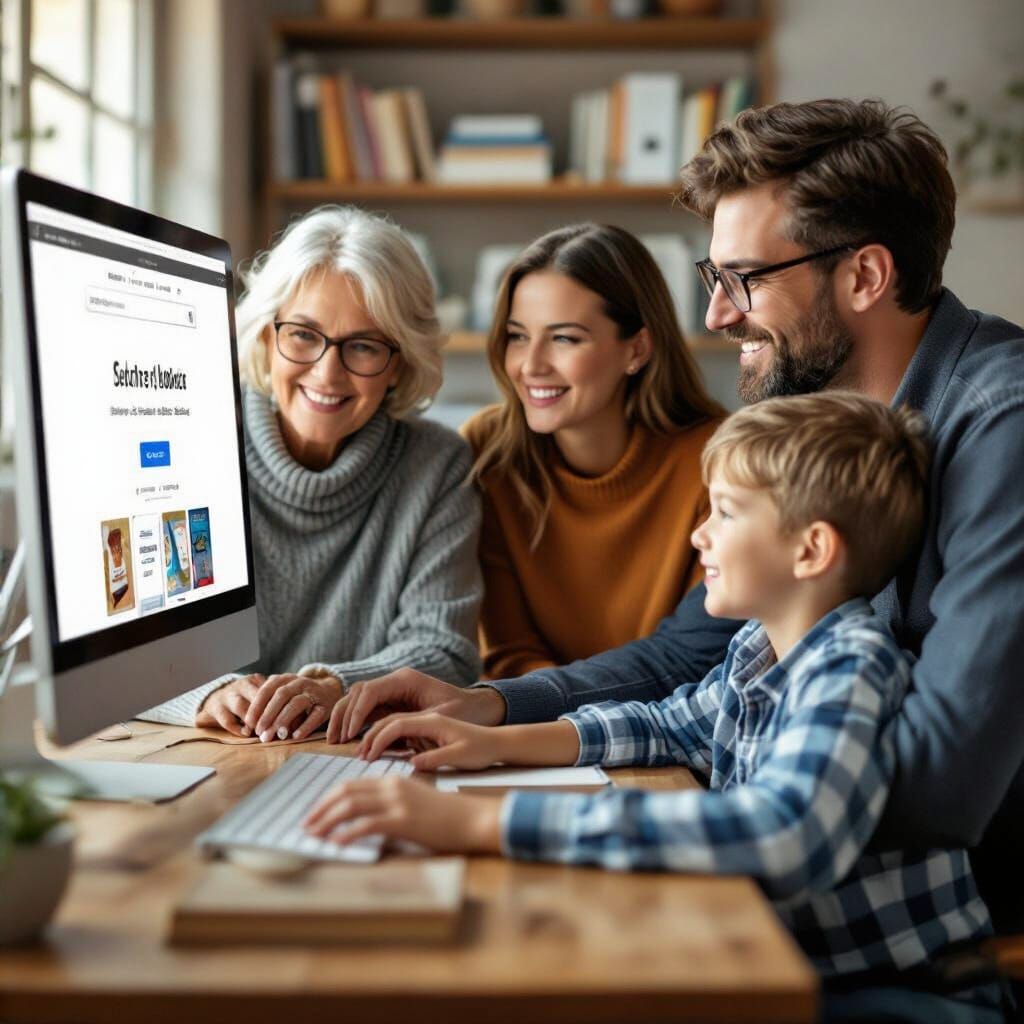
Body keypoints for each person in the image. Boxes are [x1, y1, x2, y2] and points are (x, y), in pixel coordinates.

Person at [329, 98, 1024, 934]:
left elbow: (942, 786)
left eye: (746, 279)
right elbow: (692, 663)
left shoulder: (1005, 425)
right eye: (713, 279)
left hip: (924, 935)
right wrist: (496, 707)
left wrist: (606, 823)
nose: (717, 315)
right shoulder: (831, 438)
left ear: (865, 277)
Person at [309, 393, 1006, 1022]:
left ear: (811, 550)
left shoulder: (849, 668)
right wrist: (494, 742)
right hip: (796, 966)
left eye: (725, 511)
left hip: (904, 995)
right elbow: (665, 723)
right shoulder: (760, 647)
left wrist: (479, 822)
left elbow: (782, 832)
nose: (701, 533)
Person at [139, 205, 482, 741]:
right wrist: (208, 692)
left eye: (363, 346)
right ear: (264, 335)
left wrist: (335, 687)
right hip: (204, 745)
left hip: (353, 752)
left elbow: (444, 652)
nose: (327, 372)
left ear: (399, 363)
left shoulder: (437, 466)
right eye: (302, 334)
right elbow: (131, 645)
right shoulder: (188, 442)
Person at [463, 224, 722, 678]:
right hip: (526, 715)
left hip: (669, 720)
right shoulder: (488, 452)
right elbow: (507, 653)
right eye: (518, 336)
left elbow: (693, 659)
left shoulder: (717, 461)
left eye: (564, 338)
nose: (531, 365)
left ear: (637, 349)